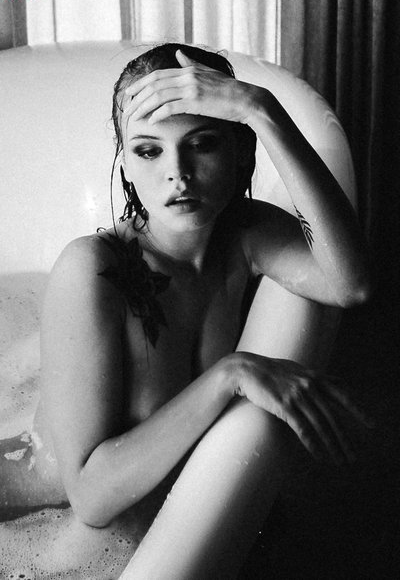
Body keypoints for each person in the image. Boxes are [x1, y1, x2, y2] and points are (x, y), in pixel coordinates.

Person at [1, 43, 371, 579]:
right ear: (125, 163)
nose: (178, 174)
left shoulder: (245, 234)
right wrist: (231, 374)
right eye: (148, 151)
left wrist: (261, 107)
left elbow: (351, 284)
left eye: (202, 144)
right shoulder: (93, 269)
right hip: (30, 503)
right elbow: (90, 497)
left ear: (242, 150)